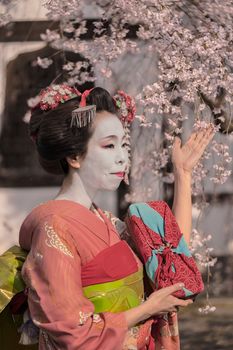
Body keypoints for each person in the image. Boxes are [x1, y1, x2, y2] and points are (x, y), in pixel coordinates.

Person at [1, 84, 214, 349]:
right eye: (109, 145)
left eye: (124, 145)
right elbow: (71, 331)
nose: (122, 158)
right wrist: (146, 309)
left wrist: (183, 174)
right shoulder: (54, 228)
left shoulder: (105, 220)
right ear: (74, 156)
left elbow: (170, 257)